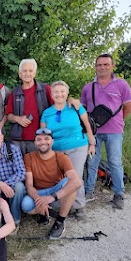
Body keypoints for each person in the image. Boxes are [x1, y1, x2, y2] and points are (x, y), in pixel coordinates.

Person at [81, 54, 131, 209]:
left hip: (114, 131)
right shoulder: (88, 87)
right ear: (95, 66)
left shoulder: (122, 85)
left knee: (115, 162)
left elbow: (128, 107)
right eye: (99, 65)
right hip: (93, 132)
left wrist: (118, 122)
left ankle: (119, 194)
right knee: (92, 162)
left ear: (112, 66)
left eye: (106, 64)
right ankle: (88, 191)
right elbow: (83, 110)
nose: (102, 68)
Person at [41, 81, 96, 219]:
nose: (59, 94)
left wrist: (92, 143)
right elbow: (44, 134)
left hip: (77, 147)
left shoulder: (75, 107)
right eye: (56, 92)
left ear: (67, 93)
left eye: (62, 91)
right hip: (57, 150)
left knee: (75, 175)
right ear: (51, 94)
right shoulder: (47, 113)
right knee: (59, 178)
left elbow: (87, 125)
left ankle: (79, 206)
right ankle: (63, 204)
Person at [22, 128, 82, 239]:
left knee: (70, 182)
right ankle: (44, 211)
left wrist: (51, 197)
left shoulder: (61, 157)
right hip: (38, 191)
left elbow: (77, 181)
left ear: (52, 141)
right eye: (39, 139)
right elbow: (29, 185)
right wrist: (39, 200)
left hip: (55, 191)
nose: (43, 142)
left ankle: (60, 221)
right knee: (25, 204)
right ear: (35, 143)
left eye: (46, 139)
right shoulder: (28, 157)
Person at [5, 59, 53, 154]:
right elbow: (8, 115)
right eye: (25, 71)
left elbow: (58, 106)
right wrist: (18, 119)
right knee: (20, 168)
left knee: (38, 168)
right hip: (18, 140)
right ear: (20, 74)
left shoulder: (45, 89)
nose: (27, 74)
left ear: (34, 73)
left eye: (30, 71)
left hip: (40, 138)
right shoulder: (14, 92)